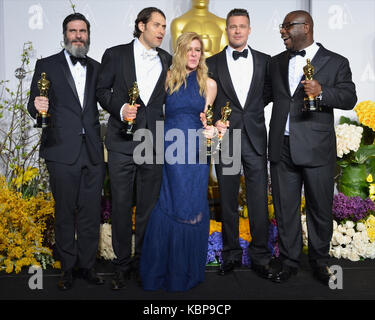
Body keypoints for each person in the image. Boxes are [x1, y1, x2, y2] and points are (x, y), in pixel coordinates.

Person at [265, 10, 357, 284]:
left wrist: (322, 91)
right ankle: (289, 260)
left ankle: (320, 261)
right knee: (284, 208)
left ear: (305, 27)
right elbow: (264, 96)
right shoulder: (276, 62)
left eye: (286, 27)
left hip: (316, 147)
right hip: (281, 146)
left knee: (319, 207)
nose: (281, 31)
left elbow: (349, 97)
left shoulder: (336, 61)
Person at [27, 13, 105, 290]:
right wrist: (37, 106)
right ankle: (67, 269)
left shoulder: (97, 67)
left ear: (88, 35)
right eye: (73, 31)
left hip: (93, 153)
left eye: (82, 31)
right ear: (64, 34)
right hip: (61, 151)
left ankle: (87, 266)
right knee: (64, 213)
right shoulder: (46, 65)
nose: (78, 36)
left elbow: (109, 100)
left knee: (90, 213)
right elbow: (33, 104)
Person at [96, 7, 172, 290]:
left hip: (154, 142)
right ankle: (121, 264)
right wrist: (120, 107)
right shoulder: (115, 54)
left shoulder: (167, 59)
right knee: (121, 204)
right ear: (141, 26)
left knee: (148, 208)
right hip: (121, 142)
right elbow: (101, 91)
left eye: (164, 26)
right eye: (157, 25)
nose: (162, 31)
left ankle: (144, 262)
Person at [140, 32, 217, 291]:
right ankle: (163, 270)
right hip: (171, 150)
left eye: (198, 50)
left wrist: (213, 131)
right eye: (190, 49)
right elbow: (152, 113)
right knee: (170, 202)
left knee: (193, 206)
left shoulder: (209, 84)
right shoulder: (167, 79)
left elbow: (208, 120)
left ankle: (185, 271)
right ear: (180, 51)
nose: (194, 54)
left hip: (195, 153)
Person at [205, 8, 274, 279]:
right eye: (232, 26)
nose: (237, 30)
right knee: (229, 199)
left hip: (256, 137)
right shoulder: (212, 63)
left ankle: (260, 256)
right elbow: (207, 102)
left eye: (242, 26)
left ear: (249, 29)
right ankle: (231, 254)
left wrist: (251, 114)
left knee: (258, 199)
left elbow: (266, 94)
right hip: (227, 139)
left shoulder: (266, 61)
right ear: (226, 29)